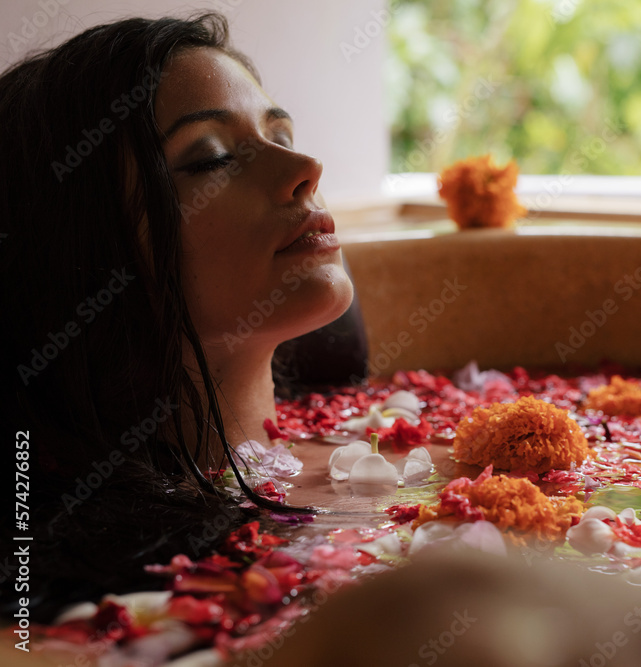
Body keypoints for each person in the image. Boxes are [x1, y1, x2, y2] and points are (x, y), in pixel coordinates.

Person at [0, 13, 367, 619]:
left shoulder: (374, 424)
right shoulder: (94, 591)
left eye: (281, 133)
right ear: (79, 256)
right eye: (212, 159)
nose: (305, 168)